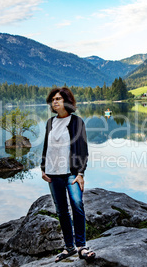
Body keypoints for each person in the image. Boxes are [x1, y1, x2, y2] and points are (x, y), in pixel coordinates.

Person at [41, 87, 96, 263]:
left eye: (59, 99)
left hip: (71, 173)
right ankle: (69, 247)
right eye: (53, 99)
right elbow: (46, 147)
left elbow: (83, 149)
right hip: (53, 174)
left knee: (77, 205)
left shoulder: (76, 122)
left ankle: (81, 246)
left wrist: (81, 173)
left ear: (67, 101)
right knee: (62, 211)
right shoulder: (50, 123)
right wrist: (43, 167)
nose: (55, 102)